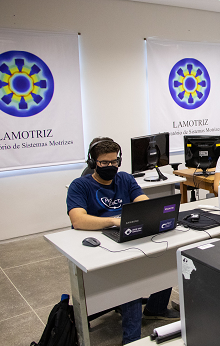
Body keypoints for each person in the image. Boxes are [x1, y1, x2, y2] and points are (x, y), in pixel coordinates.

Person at [66, 137, 179, 345]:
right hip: (100, 241)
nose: (110, 166)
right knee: (130, 281)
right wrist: (113, 221)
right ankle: (132, 340)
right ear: (93, 163)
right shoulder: (80, 186)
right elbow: (78, 219)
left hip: (126, 232)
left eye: (114, 162)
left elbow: (143, 203)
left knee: (168, 253)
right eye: (104, 163)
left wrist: (149, 215)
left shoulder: (125, 179)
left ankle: (156, 309)